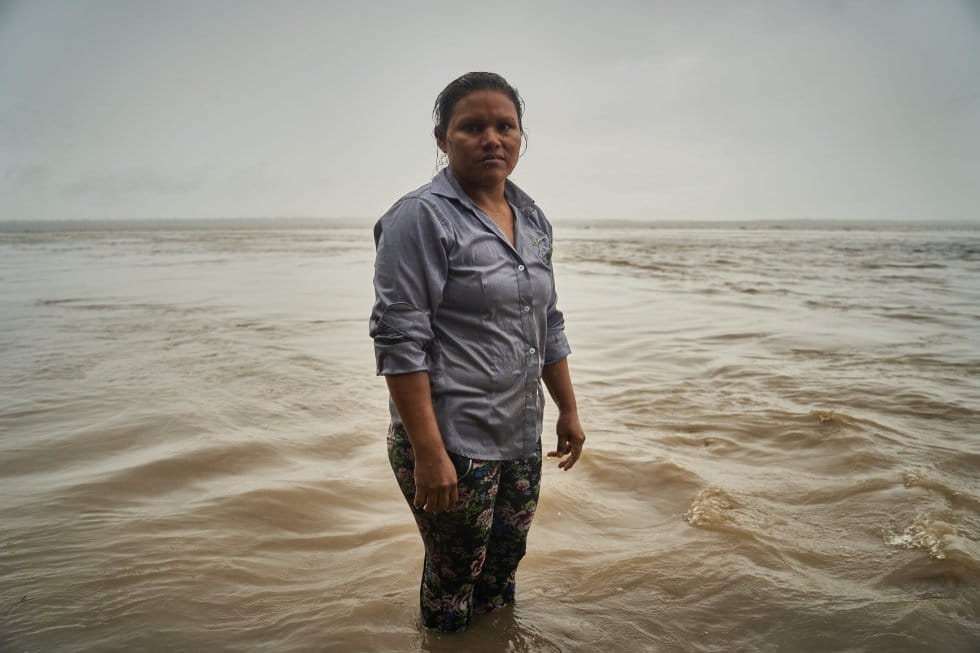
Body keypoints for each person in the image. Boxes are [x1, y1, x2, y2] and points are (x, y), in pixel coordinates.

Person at [369, 72, 586, 633]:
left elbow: (549, 322)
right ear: (442, 139)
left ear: (520, 137)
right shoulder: (419, 217)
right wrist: (429, 453)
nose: (492, 138)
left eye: (504, 126)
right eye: (472, 127)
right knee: (453, 579)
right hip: (451, 442)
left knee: (501, 576)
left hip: (518, 436)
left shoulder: (533, 219)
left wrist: (568, 409)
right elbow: (399, 340)